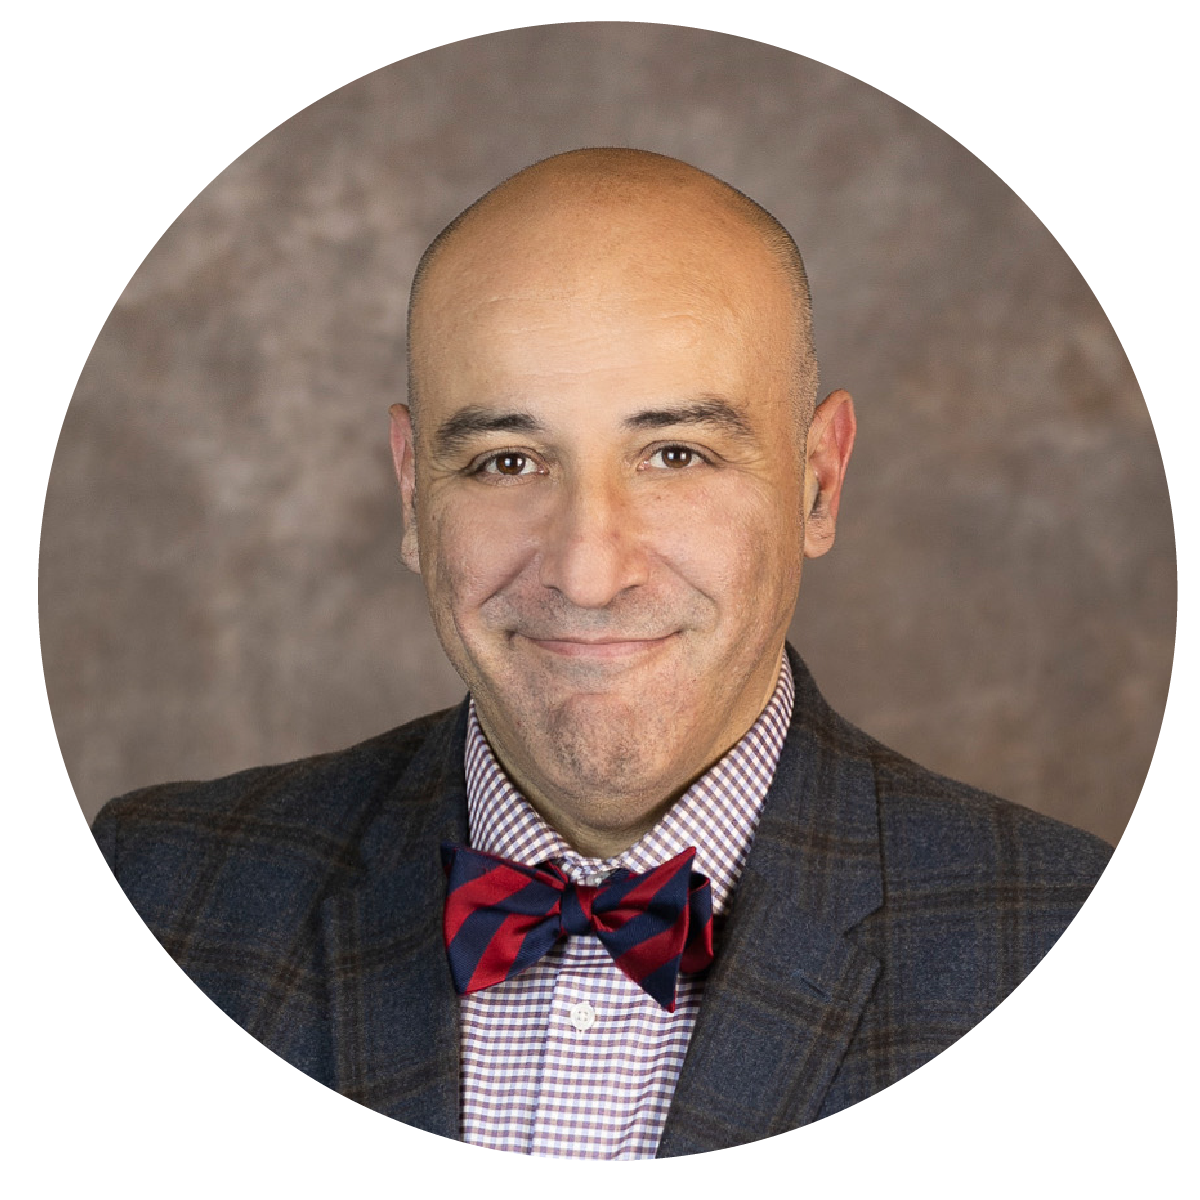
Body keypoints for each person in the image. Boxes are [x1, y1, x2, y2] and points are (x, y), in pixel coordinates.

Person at [91, 148, 1113, 1171]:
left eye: (676, 455)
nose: (587, 573)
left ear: (818, 482)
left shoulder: (1077, 947)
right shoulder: (169, 894)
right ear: (412, 496)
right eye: (506, 461)